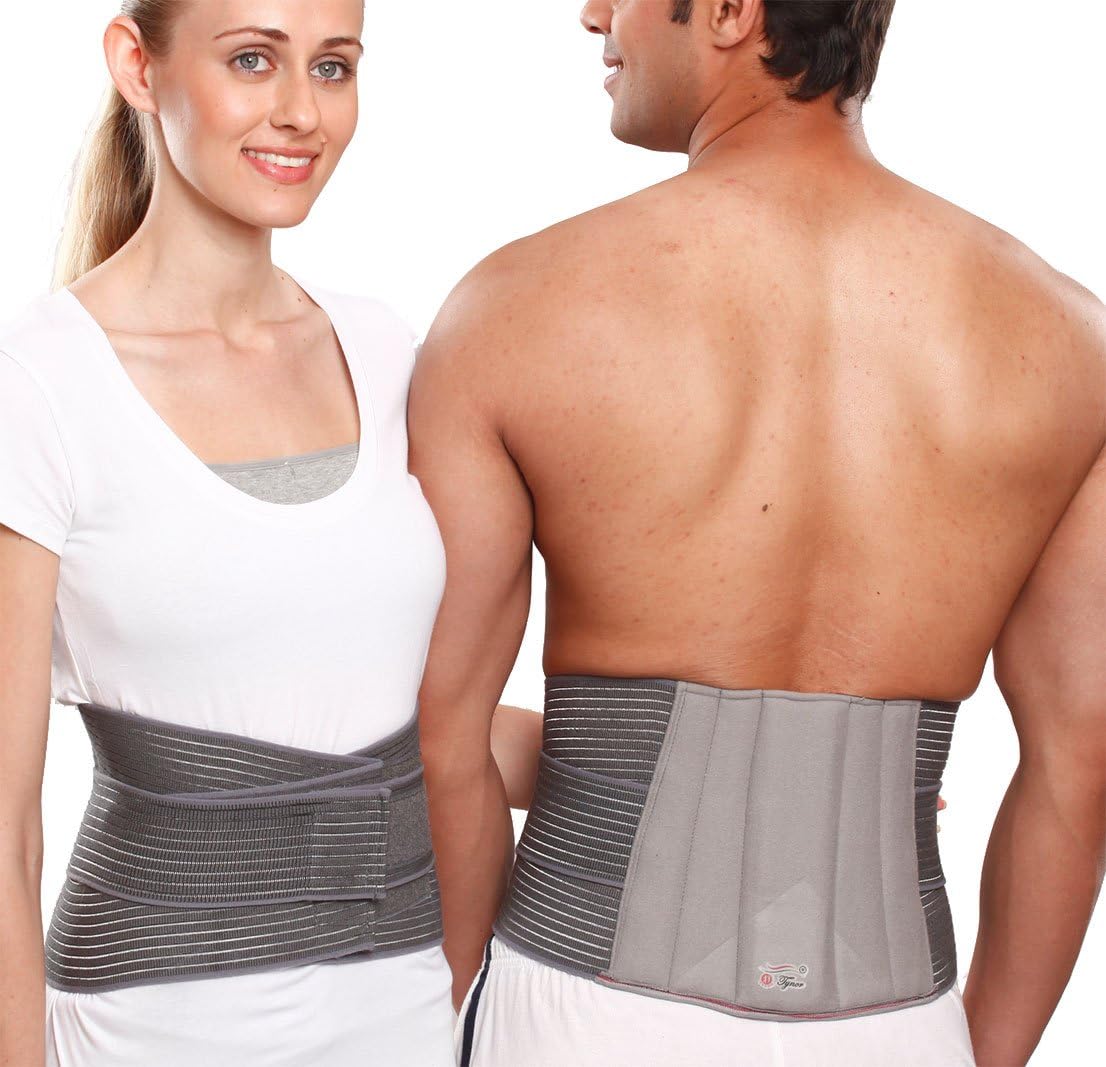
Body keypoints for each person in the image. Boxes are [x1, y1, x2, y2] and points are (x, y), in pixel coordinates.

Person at [409, 2, 1106, 1066]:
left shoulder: (515, 309)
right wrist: (981, 1055)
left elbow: (440, 739)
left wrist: (468, 1002)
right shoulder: (1066, 341)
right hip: (897, 1030)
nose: (592, 14)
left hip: (579, 1017)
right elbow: (1077, 759)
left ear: (732, 11)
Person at [0, 2, 460, 1064]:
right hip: (153, 1030)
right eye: (252, 60)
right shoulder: (38, 386)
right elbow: (6, 829)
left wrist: (717, 766)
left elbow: (419, 720)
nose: (301, 111)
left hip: (399, 1012)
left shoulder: (386, 350)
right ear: (137, 65)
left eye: (333, 67)